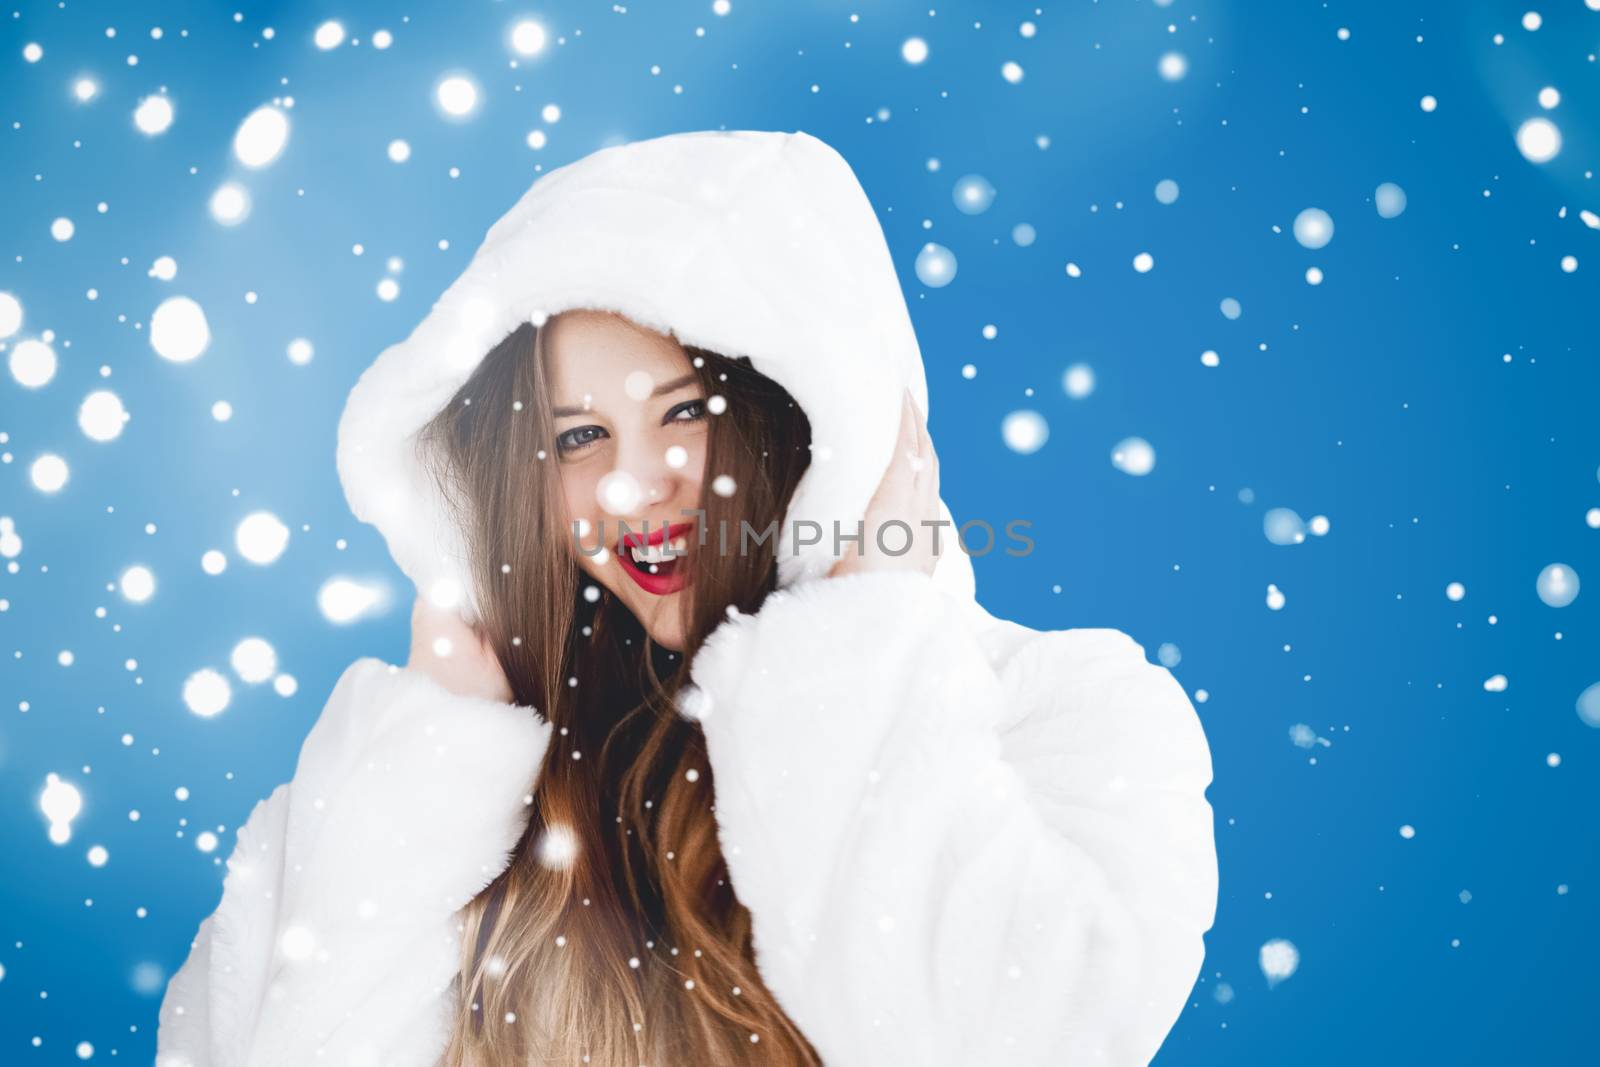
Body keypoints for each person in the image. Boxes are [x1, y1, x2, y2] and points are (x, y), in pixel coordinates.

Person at [155, 129, 1217, 1067]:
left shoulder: (1061, 710)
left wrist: (858, 657)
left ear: (814, 419)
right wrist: (425, 765)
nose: (632, 483)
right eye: (579, 438)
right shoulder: (445, 780)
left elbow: (993, 1044)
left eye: (686, 412)